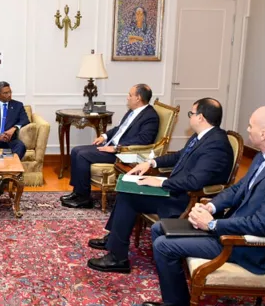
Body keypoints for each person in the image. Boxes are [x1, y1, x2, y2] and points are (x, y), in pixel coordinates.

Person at [143, 106, 265, 306]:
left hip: (252, 246)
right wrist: (210, 207)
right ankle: (174, 302)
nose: (247, 129)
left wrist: (212, 224)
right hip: (233, 229)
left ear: (264, 134)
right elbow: (237, 190)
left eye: (251, 125)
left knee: (165, 246)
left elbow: (262, 225)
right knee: (159, 228)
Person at [87, 98, 234, 273]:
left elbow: (195, 182)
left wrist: (161, 182)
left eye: (191, 113)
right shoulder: (202, 136)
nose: (190, 117)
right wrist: (151, 163)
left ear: (201, 117)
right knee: (126, 187)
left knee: (128, 197)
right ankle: (113, 240)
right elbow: (179, 156)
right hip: (176, 190)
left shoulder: (216, 145)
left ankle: (117, 258)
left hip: (186, 200)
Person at [61, 84, 160, 209]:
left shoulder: (150, 116)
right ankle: (77, 193)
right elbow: (119, 129)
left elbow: (143, 140)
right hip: (112, 146)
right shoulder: (132, 111)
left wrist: (116, 148)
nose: (127, 98)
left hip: (122, 153)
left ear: (138, 98)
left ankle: (84, 199)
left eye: (130, 95)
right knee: (75, 151)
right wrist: (104, 136)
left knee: (82, 155)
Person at [0, 81, 30, 196]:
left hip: (10, 139)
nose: (9, 95)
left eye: (10, 92)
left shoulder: (18, 105)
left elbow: (25, 119)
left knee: (21, 146)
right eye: (5, 93)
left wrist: (13, 128)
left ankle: (2, 179)